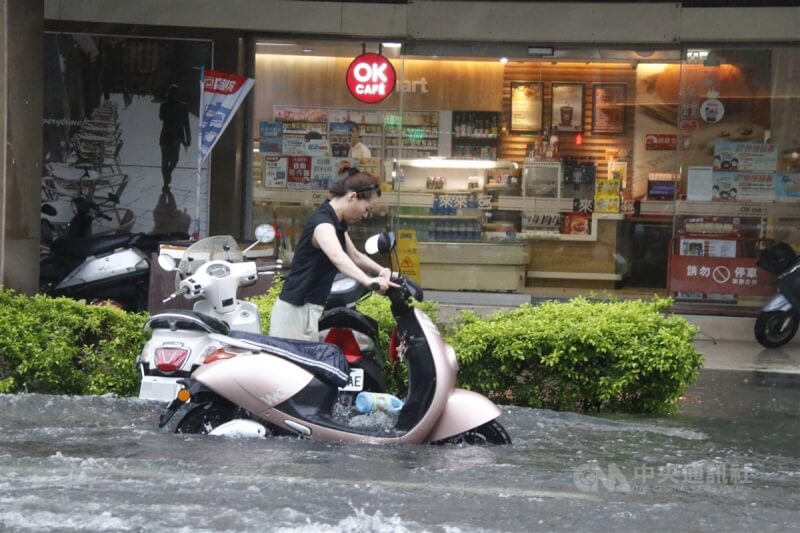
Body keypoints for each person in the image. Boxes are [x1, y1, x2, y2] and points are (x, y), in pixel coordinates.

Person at [269, 171, 397, 341]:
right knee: (291, 367)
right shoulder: (323, 224)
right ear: (352, 197)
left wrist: (384, 272)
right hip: (297, 310)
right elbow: (336, 256)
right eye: (367, 209)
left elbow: (355, 256)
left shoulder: (337, 223)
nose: (365, 215)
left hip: (307, 309)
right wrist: (367, 281)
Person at [159, 84, 191, 189]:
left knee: (167, 159)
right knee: (173, 159)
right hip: (175, 136)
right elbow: (186, 123)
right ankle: (166, 182)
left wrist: (188, 138)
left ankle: (166, 178)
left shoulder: (164, 105)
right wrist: (188, 138)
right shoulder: (182, 106)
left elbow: (161, 117)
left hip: (167, 135)